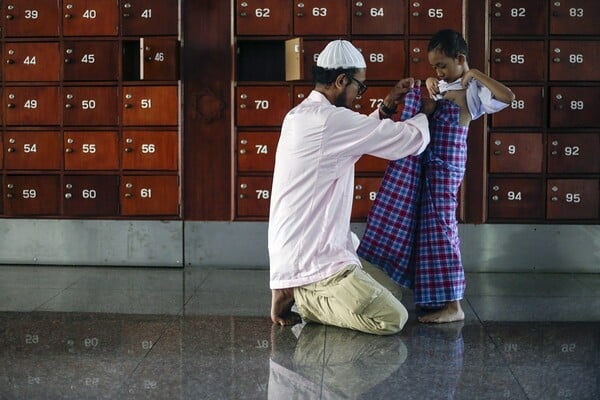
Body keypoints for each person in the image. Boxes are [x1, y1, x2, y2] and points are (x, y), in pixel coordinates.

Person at [269, 39, 436, 335]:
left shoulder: (302, 115)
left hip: (300, 250)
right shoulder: (330, 121)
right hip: (315, 260)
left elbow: (354, 137)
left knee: (392, 292)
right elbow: (406, 141)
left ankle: (293, 288)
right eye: (360, 86)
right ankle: (304, 299)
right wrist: (427, 114)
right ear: (341, 80)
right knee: (391, 317)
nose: (360, 94)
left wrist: (387, 105)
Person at [358, 29, 515, 323]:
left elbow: (507, 96)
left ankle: (454, 306)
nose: (438, 71)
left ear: (461, 59)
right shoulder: (442, 85)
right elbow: (427, 112)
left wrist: (477, 74)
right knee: (428, 230)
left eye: (442, 65)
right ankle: (433, 297)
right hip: (431, 163)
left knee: (444, 229)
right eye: (434, 67)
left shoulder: (472, 91)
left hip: (447, 167)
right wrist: (431, 90)